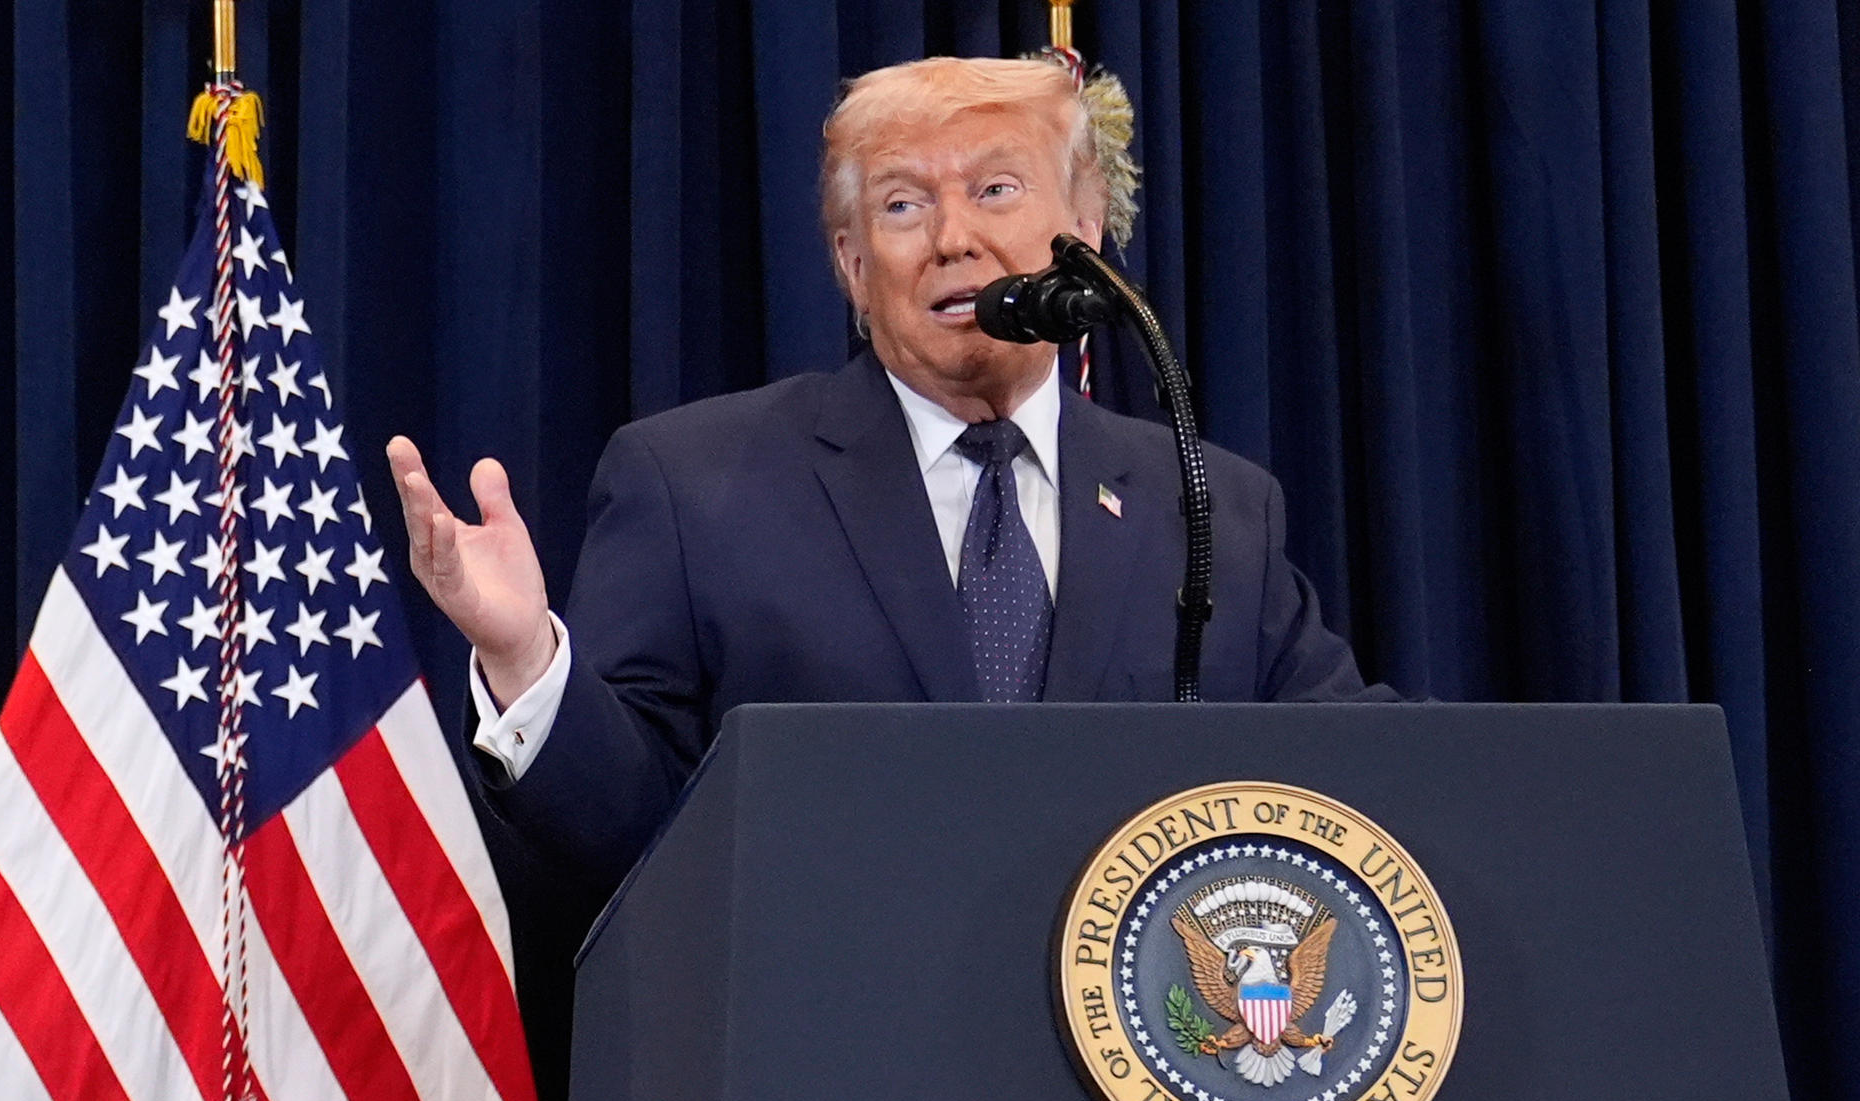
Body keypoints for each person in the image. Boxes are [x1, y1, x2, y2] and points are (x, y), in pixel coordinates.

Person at [384, 54, 1382, 900]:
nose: (952, 237)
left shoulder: (1208, 505)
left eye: (995, 190)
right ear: (851, 264)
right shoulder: (694, 485)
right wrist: (525, 663)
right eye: (903, 204)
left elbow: (1354, 779)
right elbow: (627, 843)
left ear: (1081, 230)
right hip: (828, 1089)